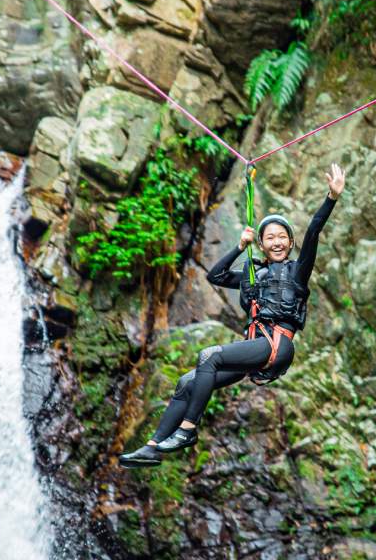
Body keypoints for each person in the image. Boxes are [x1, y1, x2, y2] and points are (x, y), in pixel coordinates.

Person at [119, 163, 347, 468]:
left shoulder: (297, 271)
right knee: (188, 382)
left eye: (282, 237)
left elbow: (314, 230)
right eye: (270, 238)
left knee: (209, 356)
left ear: (290, 243)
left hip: (276, 343)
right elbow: (216, 275)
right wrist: (240, 246)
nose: (277, 242)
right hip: (254, 348)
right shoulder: (254, 274)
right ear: (263, 245)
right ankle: (152, 447)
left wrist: (331, 198)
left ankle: (187, 430)